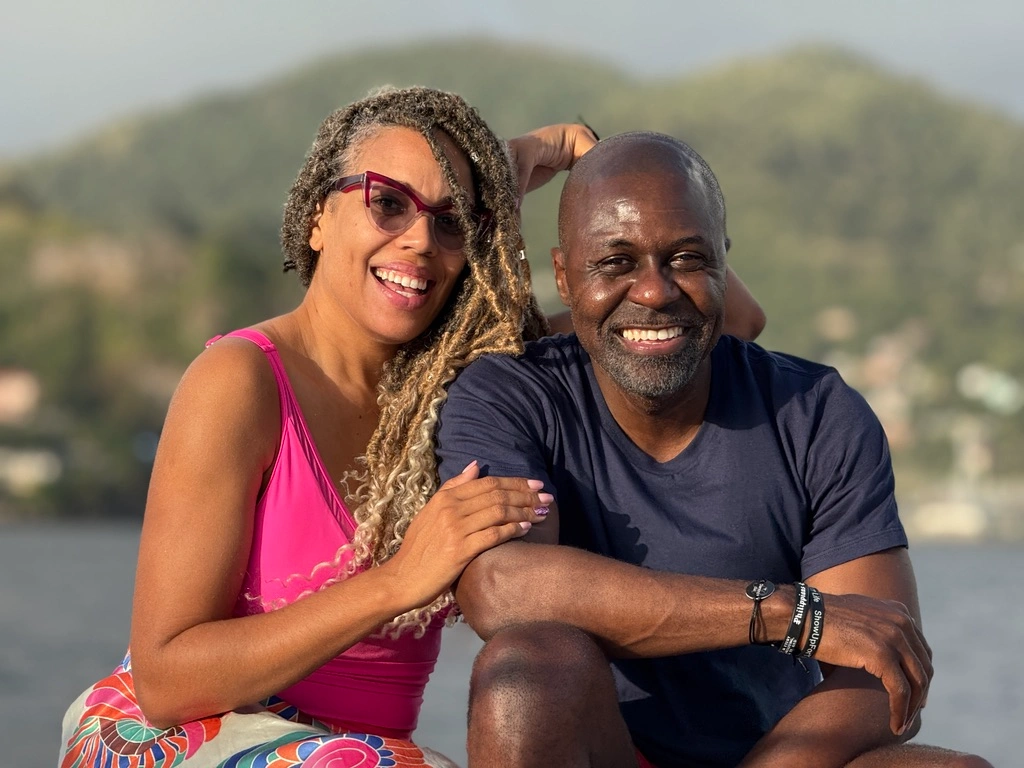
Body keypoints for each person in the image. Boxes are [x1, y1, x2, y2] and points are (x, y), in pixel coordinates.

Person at [56, 86, 605, 768]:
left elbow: (708, 315)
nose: (419, 240)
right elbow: (166, 681)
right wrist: (399, 580)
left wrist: (548, 156)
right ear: (319, 216)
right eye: (388, 201)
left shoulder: (468, 388)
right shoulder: (241, 383)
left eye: (452, 220)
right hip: (192, 739)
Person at [435, 132, 993, 767]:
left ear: (723, 263)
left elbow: (883, 671)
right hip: (602, 748)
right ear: (563, 275)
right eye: (616, 263)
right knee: (526, 672)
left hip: (779, 755)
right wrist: (781, 612)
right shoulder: (512, 395)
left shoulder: (817, 414)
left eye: (685, 259)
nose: (653, 292)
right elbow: (502, 589)